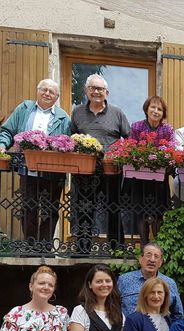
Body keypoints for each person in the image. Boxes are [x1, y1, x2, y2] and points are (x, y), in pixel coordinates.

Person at [0, 79, 70, 243]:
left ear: (56, 97)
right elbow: (7, 131)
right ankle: (31, 245)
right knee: (28, 207)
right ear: (37, 91)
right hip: (27, 167)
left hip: (53, 171)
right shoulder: (24, 109)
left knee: (50, 209)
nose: (47, 93)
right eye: (44, 89)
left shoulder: (63, 117)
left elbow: (68, 143)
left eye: (51, 92)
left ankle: (45, 246)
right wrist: (2, 145)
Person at [70, 74, 131, 251]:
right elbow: (71, 138)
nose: (96, 92)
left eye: (100, 89)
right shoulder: (77, 112)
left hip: (111, 168)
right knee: (84, 208)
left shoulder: (117, 113)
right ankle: (83, 248)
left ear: (107, 93)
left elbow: (128, 138)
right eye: (93, 88)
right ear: (86, 91)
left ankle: (116, 248)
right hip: (85, 170)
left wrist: (118, 153)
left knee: (113, 207)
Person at [128, 96, 174, 245]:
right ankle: (143, 244)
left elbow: (171, 150)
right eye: (153, 107)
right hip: (140, 178)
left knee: (158, 213)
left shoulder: (167, 129)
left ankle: (157, 245)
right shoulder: (137, 126)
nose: (156, 111)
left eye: (159, 109)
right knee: (140, 212)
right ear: (146, 109)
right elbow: (130, 148)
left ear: (163, 113)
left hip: (159, 179)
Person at [69, 265, 124, 331]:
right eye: (99, 281)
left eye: (108, 281)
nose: (104, 285)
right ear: (90, 284)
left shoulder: (119, 312)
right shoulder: (80, 311)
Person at [117, 242, 184, 319]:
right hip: (130, 329)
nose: (152, 260)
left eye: (156, 256)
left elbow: (178, 314)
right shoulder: (124, 280)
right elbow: (114, 307)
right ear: (140, 259)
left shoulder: (169, 283)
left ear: (161, 262)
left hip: (161, 329)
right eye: (148, 255)